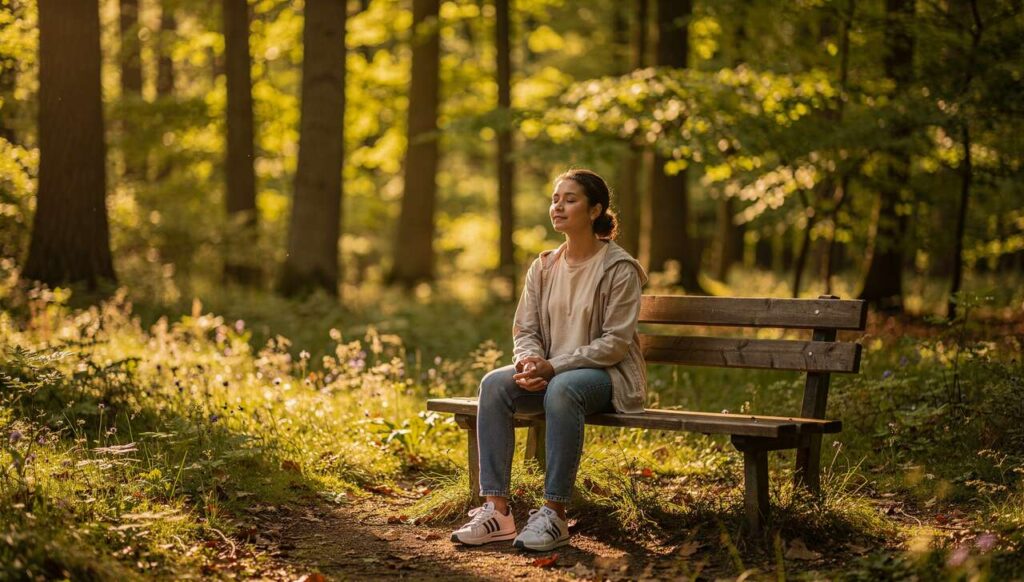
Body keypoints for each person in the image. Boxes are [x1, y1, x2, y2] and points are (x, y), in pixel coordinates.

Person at [450, 169, 648, 551]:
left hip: (605, 377)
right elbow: (525, 329)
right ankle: (497, 512)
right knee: (494, 384)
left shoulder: (619, 268)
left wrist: (553, 367)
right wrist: (529, 362)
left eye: (570, 200)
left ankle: (554, 514)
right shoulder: (543, 267)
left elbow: (615, 344)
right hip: (551, 374)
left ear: (595, 211)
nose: (558, 206)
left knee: (563, 388)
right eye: (555, 199)